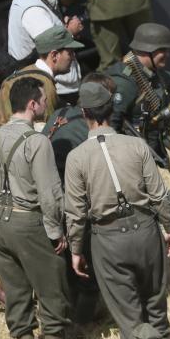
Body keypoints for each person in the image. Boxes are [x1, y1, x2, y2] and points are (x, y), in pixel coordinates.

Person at [64, 80, 170, 339]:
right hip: (146, 230)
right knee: (155, 300)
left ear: (84, 112)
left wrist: (76, 250)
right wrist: (169, 227)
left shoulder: (76, 158)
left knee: (128, 312)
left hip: (108, 238)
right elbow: (159, 193)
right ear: (111, 107)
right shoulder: (136, 145)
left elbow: (75, 212)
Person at [0, 76, 74, 339]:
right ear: (32, 105)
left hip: (0, 223)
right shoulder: (38, 141)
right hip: (28, 222)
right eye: (43, 99)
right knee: (51, 284)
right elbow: (50, 194)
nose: (46, 103)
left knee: (14, 288)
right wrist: (56, 232)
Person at [43, 72, 114, 323]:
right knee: (86, 263)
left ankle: (70, 311)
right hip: (73, 200)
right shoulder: (89, 127)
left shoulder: (58, 115)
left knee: (65, 259)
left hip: (48, 196)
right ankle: (84, 320)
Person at [109, 22, 170, 171]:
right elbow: (110, 126)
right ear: (146, 51)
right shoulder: (125, 84)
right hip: (128, 159)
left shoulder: (150, 72)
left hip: (147, 149)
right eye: (162, 50)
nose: (167, 54)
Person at [8, 0, 84, 102]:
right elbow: (50, 44)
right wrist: (71, 31)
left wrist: (64, 27)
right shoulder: (32, 8)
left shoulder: (30, 0)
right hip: (52, 88)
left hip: (53, 84)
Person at [0, 25, 83, 125]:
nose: (73, 57)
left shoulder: (25, 72)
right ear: (54, 55)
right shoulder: (43, 87)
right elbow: (47, 131)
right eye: (70, 53)